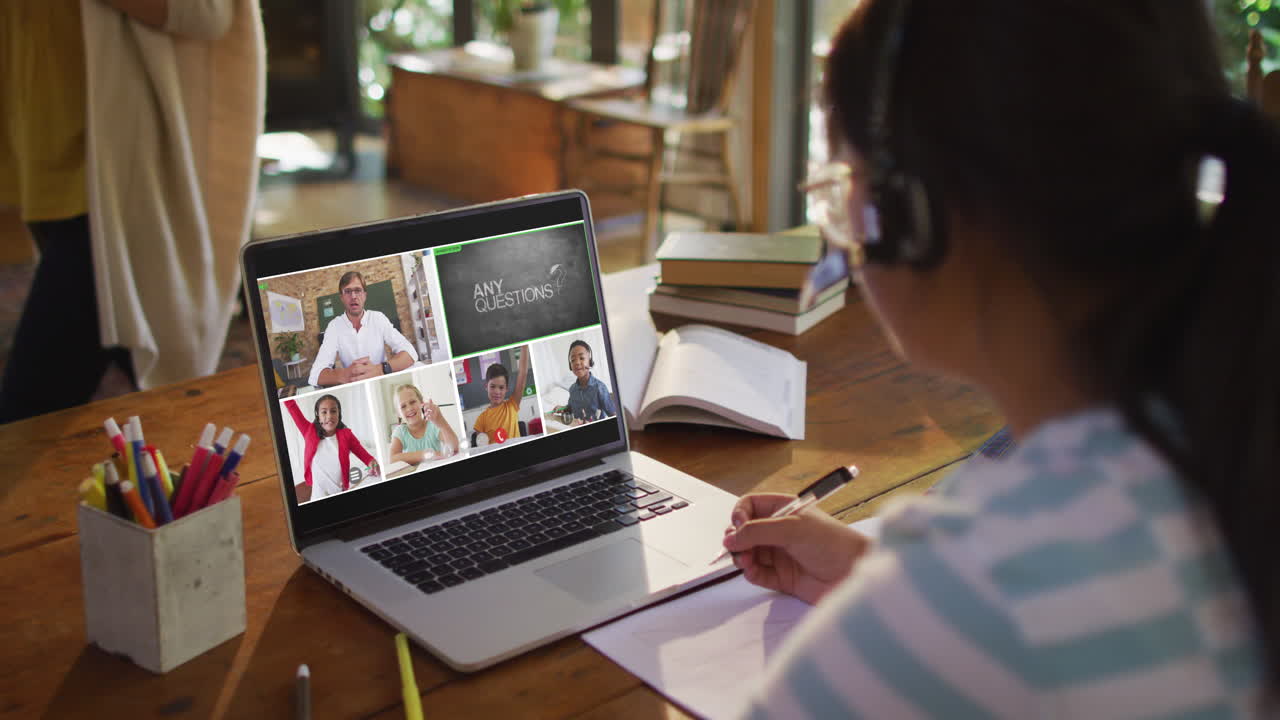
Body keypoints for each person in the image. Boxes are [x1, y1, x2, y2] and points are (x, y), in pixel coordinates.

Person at [720, 1, 1276, 716]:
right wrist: (880, 580)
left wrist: (917, 613)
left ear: (916, 211)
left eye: (842, 187)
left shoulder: (978, 591)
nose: (846, 237)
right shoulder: (1226, 439)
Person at [0, 0, 265, 423]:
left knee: (26, 411)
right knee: (146, 385)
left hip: (116, 183)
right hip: (47, 161)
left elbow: (208, 11)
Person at [308, 271, 418, 387]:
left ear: (365, 295)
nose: (353, 296)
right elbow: (315, 376)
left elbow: (410, 353)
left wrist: (380, 369)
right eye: (348, 291)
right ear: (341, 297)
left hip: (382, 382)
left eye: (358, 290)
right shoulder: (334, 326)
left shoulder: (378, 318)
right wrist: (344, 375)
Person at [284, 395, 380, 503]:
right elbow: (291, 406)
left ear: (339, 414)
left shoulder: (347, 435)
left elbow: (366, 456)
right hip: (317, 496)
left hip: (340, 491)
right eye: (324, 412)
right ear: (318, 415)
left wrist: (372, 463)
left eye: (333, 411)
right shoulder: (308, 431)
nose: (329, 416)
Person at [388, 384, 460, 466]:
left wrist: (440, 421)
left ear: (422, 403)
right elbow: (392, 459)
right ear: (398, 413)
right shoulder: (400, 432)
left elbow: (454, 448)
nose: (409, 408)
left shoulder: (433, 425)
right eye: (403, 406)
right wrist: (427, 455)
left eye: (412, 402)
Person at [473, 345, 530, 444]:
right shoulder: (481, 419)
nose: (497, 392)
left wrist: (524, 347)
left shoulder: (512, 405)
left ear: (506, 389)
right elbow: (482, 446)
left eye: (501, 387)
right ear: (486, 386)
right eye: (492, 386)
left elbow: (523, 373)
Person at [565, 340, 615, 423]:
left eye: (582, 358)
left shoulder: (600, 388)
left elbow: (612, 415)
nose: (577, 362)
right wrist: (562, 409)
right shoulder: (572, 389)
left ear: (590, 361)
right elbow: (570, 408)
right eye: (573, 360)